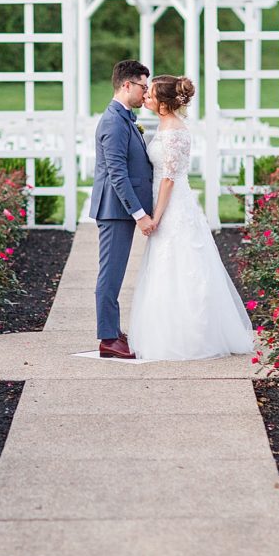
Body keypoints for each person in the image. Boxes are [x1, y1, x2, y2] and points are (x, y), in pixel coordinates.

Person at [127, 75, 255, 360]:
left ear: (163, 103)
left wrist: (155, 216)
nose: (145, 96)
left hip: (173, 206)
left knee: (180, 265)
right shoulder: (165, 125)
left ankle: (190, 337)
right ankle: (168, 331)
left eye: (150, 93)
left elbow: (169, 179)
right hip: (172, 202)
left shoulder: (173, 131)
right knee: (168, 265)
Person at [90, 60, 154, 359]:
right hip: (116, 210)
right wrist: (139, 214)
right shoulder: (114, 122)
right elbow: (117, 173)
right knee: (111, 275)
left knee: (114, 273)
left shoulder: (125, 117)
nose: (146, 93)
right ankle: (107, 339)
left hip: (120, 210)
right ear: (126, 85)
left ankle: (113, 331)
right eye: (143, 87)